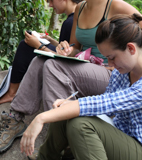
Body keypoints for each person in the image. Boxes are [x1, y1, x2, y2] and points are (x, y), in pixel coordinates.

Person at [0, 0, 141, 156]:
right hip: (89, 67)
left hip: (107, 71)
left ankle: (52, 122)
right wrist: (65, 49)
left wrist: (115, 62)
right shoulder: (80, 8)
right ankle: (16, 117)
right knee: (40, 60)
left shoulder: (117, 6)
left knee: (54, 67)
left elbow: (136, 37)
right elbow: (76, 46)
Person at [21, 13, 142, 160]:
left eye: (112, 57)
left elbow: (108, 103)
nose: (110, 64)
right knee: (65, 111)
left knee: (81, 124)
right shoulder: (122, 71)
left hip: (137, 147)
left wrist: (41, 118)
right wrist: (69, 104)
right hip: (121, 135)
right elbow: (107, 100)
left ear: (131, 48)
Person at [0, 0, 81, 105]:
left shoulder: (70, 22)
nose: (50, 5)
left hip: (68, 69)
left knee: (25, 45)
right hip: (71, 64)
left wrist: (38, 45)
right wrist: (50, 40)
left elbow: (64, 59)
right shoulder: (76, 17)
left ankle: (12, 93)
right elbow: (67, 49)